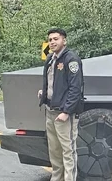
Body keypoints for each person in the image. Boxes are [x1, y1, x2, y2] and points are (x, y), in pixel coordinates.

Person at [38, 28, 84, 181]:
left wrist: (66, 111)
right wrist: (44, 94)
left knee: (68, 151)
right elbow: (54, 83)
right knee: (55, 151)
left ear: (64, 41)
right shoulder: (51, 58)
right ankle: (56, 178)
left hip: (64, 114)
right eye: (50, 39)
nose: (52, 42)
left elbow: (75, 88)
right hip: (50, 110)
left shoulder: (71, 59)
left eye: (56, 39)